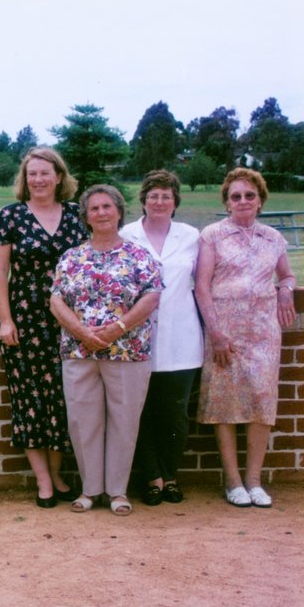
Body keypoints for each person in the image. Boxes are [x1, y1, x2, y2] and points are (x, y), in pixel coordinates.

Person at [50, 185, 163, 516]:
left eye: (107, 206)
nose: (101, 213)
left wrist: (117, 329)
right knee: (83, 422)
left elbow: (151, 297)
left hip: (127, 351)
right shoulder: (72, 258)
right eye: (94, 208)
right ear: (85, 216)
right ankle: (90, 490)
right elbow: (56, 299)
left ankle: (117, 492)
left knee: (124, 422)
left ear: (119, 211)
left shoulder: (139, 256)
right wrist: (81, 332)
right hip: (79, 351)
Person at [195, 168, 297, 508]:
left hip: (264, 331)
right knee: (224, 403)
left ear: (260, 201)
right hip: (225, 331)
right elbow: (202, 287)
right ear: (226, 202)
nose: (242, 201)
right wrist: (216, 331)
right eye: (235, 196)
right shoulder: (212, 235)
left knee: (261, 401)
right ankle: (233, 481)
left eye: (249, 196)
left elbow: (288, 274)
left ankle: (254, 481)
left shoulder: (273, 238)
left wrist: (285, 290)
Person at [0, 147, 86, 508]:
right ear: (24, 179)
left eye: (46, 173)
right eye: (32, 174)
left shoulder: (77, 215)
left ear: (59, 176)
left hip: (68, 323)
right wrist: (5, 319)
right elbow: (0, 273)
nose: (39, 179)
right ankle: (43, 481)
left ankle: (59, 475)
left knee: (63, 400)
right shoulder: (9, 216)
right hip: (25, 322)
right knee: (30, 400)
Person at [120, 170, 203, 506]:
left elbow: (206, 283)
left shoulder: (192, 237)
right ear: (143, 200)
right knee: (139, 412)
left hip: (182, 340)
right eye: (153, 195)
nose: (159, 201)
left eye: (166, 196)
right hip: (136, 339)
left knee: (175, 413)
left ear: (175, 201)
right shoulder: (127, 235)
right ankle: (151, 477)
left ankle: (170, 476)